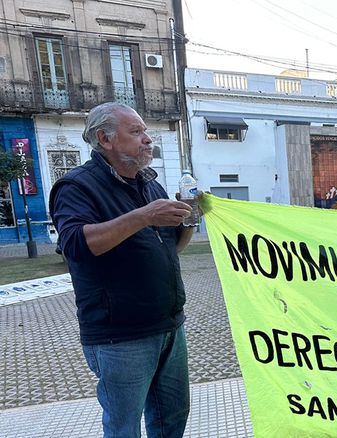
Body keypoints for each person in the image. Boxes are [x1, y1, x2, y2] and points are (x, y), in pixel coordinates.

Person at [50, 102, 198, 438]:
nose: (147, 139)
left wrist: (189, 217)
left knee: (171, 419)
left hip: (170, 326)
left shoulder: (150, 186)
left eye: (145, 131)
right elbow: (76, 245)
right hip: (120, 336)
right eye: (136, 131)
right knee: (123, 428)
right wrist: (145, 216)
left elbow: (171, 246)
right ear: (105, 138)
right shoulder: (77, 186)